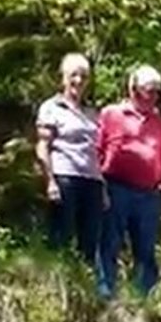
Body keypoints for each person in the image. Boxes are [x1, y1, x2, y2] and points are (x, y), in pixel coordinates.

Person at [96, 65, 161, 298]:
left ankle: (143, 299)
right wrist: (100, 186)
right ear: (133, 89)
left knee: (146, 248)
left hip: (149, 193)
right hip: (116, 186)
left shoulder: (160, 123)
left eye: (156, 92)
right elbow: (96, 150)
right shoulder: (112, 114)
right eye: (148, 91)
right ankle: (105, 294)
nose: (153, 97)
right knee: (110, 243)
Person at [35, 53, 104, 265]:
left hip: (91, 180)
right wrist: (50, 181)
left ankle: (87, 285)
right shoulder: (51, 107)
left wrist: (104, 186)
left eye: (84, 76)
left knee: (90, 239)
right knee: (61, 234)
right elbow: (42, 146)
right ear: (63, 78)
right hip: (65, 176)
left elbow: (97, 151)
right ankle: (59, 284)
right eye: (73, 75)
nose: (79, 81)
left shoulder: (92, 113)